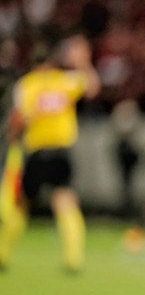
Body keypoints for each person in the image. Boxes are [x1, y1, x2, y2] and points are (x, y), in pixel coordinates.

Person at [0, 35, 100, 272]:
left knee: (22, 204)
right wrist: (83, 60)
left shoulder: (26, 85)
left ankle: (2, 253)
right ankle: (73, 258)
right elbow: (93, 87)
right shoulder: (64, 81)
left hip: (36, 151)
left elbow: (18, 120)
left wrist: (13, 138)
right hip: (61, 152)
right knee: (65, 201)